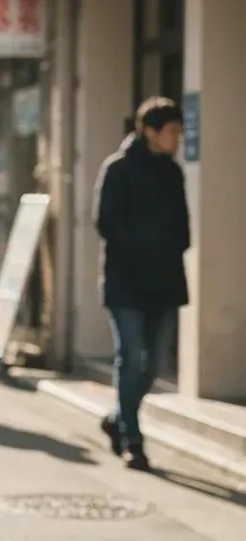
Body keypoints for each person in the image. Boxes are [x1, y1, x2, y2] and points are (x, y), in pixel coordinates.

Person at [93, 96, 189, 471]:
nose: (177, 139)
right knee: (131, 358)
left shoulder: (173, 172)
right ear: (150, 131)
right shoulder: (117, 169)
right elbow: (106, 222)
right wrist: (142, 252)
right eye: (172, 132)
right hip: (126, 281)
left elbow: (183, 227)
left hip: (165, 281)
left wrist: (172, 250)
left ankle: (118, 417)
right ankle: (133, 439)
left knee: (155, 364)